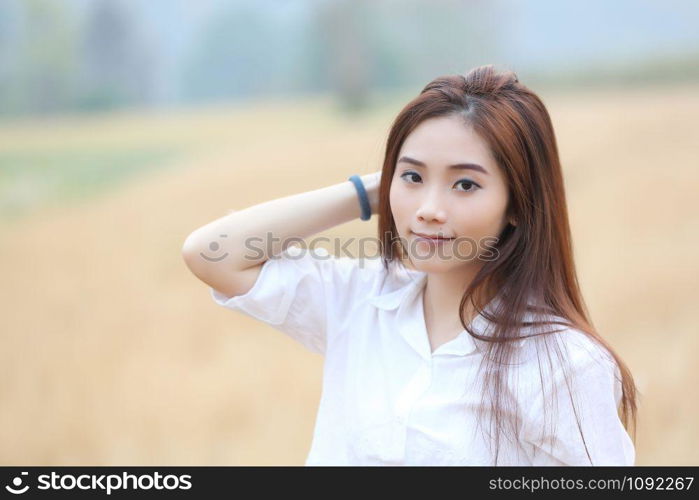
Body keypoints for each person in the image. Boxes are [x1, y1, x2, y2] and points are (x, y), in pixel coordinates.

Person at [181, 64, 638, 466]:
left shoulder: (563, 364)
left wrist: (415, 179)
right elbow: (211, 253)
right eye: (413, 177)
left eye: (464, 184)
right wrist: (365, 194)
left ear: (518, 204)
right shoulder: (360, 298)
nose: (429, 208)